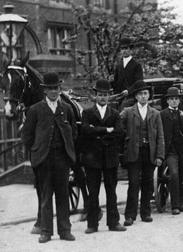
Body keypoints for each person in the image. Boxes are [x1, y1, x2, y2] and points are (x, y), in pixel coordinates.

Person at [22, 72, 77, 243]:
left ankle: (65, 231)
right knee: (45, 196)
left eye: (56, 88)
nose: (53, 91)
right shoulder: (35, 110)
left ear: (60, 89)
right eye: (50, 89)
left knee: (62, 194)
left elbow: (73, 132)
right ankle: (45, 232)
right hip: (43, 159)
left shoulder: (66, 109)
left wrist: (66, 149)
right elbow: (27, 136)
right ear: (45, 90)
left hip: (61, 157)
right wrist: (36, 152)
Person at [81, 79, 126, 234]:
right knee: (93, 191)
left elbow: (119, 133)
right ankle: (92, 224)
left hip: (110, 157)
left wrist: (97, 131)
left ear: (109, 96)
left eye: (105, 95)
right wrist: (107, 130)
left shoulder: (114, 113)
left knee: (111, 190)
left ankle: (113, 223)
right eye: (100, 95)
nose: (103, 98)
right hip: (92, 158)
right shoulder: (87, 113)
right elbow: (86, 131)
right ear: (96, 96)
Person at [120, 80, 165, 226]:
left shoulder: (155, 113)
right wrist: (126, 141)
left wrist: (159, 155)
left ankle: (146, 213)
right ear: (136, 96)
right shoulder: (128, 112)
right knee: (133, 184)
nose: (143, 96)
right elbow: (118, 127)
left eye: (145, 93)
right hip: (134, 153)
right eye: (140, 94)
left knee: (148, 184)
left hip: (149, 153)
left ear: (149, 96)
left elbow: (160, 136)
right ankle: (130, 215)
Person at [160, 87, 183, 215]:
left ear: (179, 101)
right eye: (172, 99)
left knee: (182, 177)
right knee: (173, 174)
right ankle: (174, 206)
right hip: (170, 151)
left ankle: (180, 203)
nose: (174, 101)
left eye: (176, 99)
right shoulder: (162, 114)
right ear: (168, 101)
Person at [112, 37, 144, 110]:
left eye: (126, 48)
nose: (124, 51)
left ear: (130, 49)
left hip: (132, 97)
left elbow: (139, 83)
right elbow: (116, 86)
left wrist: (129, 91)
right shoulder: (118, 66)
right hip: (119, 96)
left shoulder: (136, 65)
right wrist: (111, 81)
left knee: (124, 106)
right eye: (122, 49)